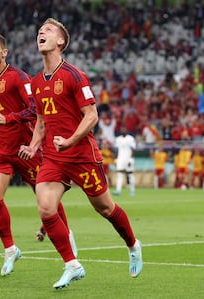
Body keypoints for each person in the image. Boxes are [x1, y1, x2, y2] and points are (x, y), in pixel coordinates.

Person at [18, 18, 142, 289]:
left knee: (106, 208)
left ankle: (132, 245)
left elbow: (92, 115)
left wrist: (72, 140)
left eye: (48, 30)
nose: (41, 33)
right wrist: (33, 146)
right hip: (53, 156)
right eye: (39, 30)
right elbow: (41, 121)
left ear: (60, 41)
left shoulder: (74, 75)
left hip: (82, 155)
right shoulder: (36, 82)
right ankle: (72, 264)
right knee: (45, 207)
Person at [0, 33, 74, 277]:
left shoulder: (18, 78)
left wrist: (9, 118)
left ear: (4, 52)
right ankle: (10, 249)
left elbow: (35, 109)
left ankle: (68, 244)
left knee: (46, 201)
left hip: (25, 149)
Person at [113, 125, 136, 196]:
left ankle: (132, 190)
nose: (123, 130)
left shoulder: (130, 139)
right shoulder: (118, 139)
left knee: (130, 174)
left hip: (128, 159)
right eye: (121, 129)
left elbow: (133, 149)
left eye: (124, 129)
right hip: (120, 159)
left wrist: (130, 160)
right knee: (119, 174)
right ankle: (118, 190)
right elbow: (116, 150)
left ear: (127, 130)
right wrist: (116, 159)